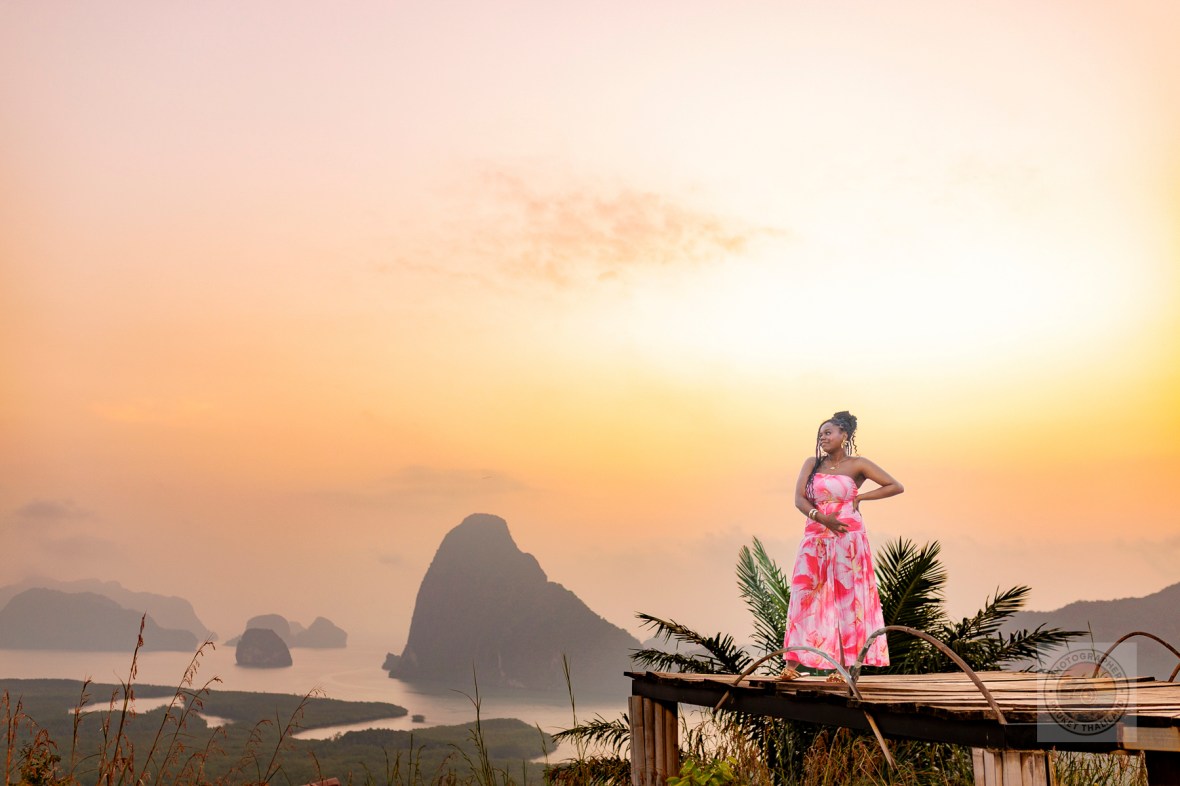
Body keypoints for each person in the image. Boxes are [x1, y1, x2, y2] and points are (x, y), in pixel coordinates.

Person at [780, 411, 903, 681]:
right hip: (815, 535)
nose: (823, 438)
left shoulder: (858, 464)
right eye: (820, 434)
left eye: (828, 433)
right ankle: (791, 666)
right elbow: (800, 499)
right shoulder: (812, 463)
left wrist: (861, 498)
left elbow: (895, 486)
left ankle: (844, 668)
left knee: (847, 600)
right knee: (804, 595)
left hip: (848, 537)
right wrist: (821, 517)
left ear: (843, 435)